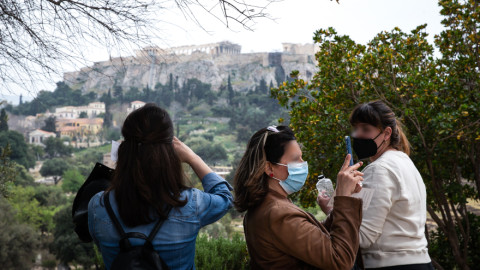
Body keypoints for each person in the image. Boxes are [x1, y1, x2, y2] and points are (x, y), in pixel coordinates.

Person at [88, 103, 233, 270]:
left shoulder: (98, 206)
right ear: (170, 153)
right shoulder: (191, 203)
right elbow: (225, 197)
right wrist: (192, 157)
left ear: (124, 150)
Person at [233, 125, 365, 270]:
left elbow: (312, 239)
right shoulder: (278, 214)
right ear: (269, 168)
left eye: (302, 157)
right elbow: (340, 260)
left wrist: (343, 194)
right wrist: (344, 199)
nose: (303, 164)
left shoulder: (270, 206)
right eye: (296, 159)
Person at [348, 101, 433, 270]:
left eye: (365, 129)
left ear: (386, 133)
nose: (357, 135)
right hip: (420, 262)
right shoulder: (406, 162)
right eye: (356, 128)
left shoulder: (378, 169)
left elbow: (363, 238)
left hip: (391, 264)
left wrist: (334, 207)